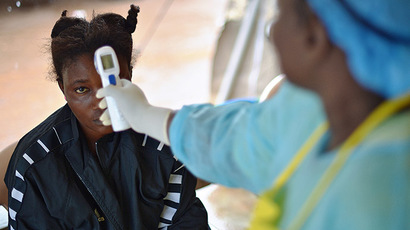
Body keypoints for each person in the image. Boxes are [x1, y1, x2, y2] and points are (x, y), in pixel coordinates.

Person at [97, 0, 410, 229]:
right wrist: (147, 115)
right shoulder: (312, 109)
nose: (272, 31)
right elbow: (237, 136)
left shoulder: (383, 189)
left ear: (314, 38)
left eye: (281, 14)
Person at [4, 5, 209, 230]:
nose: (102, 102)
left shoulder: (166, 149)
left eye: (113, 83)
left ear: (129, 76)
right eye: (82, 90)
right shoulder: (34, 165)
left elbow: (186, 223)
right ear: (63, 89)